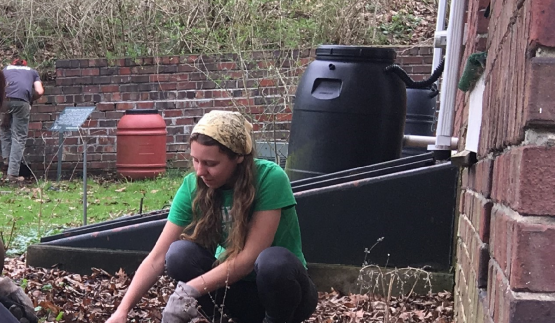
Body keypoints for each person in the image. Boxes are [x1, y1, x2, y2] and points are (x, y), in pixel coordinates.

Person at [106, 110, 318, 323]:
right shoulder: (192, 186)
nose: (199, 171)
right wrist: (122, 311)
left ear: (238, 157)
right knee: (179, 254)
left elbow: (248, 259)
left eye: (210, 163)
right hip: (234, 294)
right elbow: (156, 258)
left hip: (285, 295)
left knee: (273, 262)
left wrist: (188, 290)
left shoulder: (269, 178)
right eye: (195, 160)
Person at [0, 59, 44, 182]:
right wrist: (30, 98)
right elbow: (40, 91)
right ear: (25, 65)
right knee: (18, 136)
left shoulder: (5, 70)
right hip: (21, 102)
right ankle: (13, 174)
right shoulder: (32, 71)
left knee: (4, 130)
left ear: (13, 65)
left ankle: (7, 162)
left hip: (4, 101)